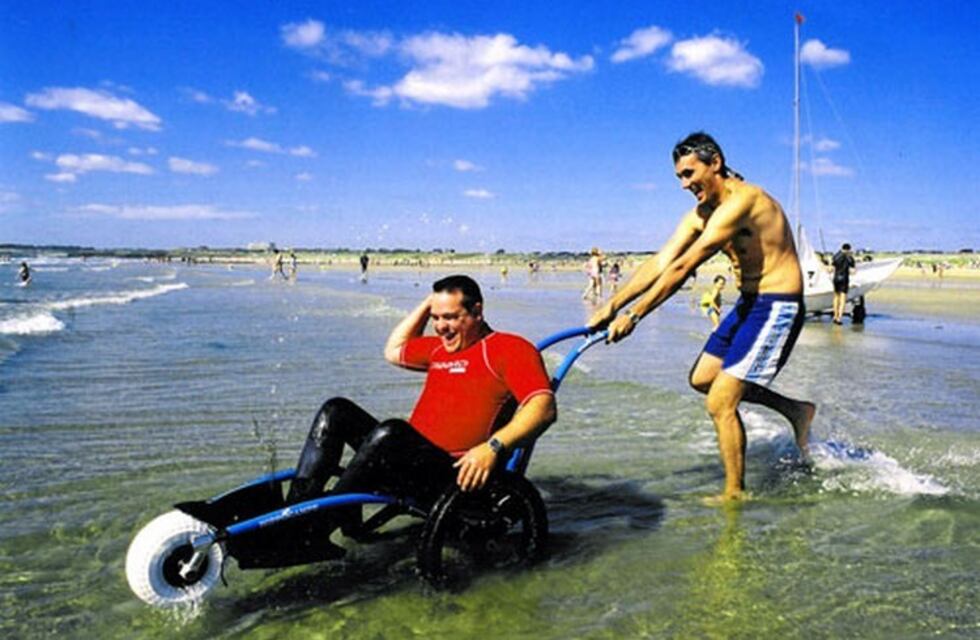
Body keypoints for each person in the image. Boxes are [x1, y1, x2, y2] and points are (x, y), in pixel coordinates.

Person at [588, 132, 815, 503]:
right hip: (749, 303)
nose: (684, 184)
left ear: (716, 163)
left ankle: (735, 495)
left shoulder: (744, 202)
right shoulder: (702, 213)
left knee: (720, 402)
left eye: (689, 173)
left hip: (778, 303)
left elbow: (683, 267)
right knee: (704, 379)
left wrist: (635, 315)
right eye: (679, 176)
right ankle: (796, 411)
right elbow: (661, 261)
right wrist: (611, 305)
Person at [285, 274, 556, 557]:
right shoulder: (439, 348)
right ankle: (294, 513)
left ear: (477, 311)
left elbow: (543, 407)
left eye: (450, 317)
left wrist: (493, 447)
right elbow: (393, 350)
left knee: (391, 432)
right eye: (435, 317)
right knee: (336, 410)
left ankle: (314, 531)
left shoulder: (509, 348)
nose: (440, 327)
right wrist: (431, 302)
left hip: (455, 475)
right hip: (411, 465)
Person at [831, 243, 855, 324]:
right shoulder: (849, 258)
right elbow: (853, 271)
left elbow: (831, 269)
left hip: (836, 279)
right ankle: (839, 318)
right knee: (842, 299)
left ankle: (835, 316)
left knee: (836, 297)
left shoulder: (836, 256)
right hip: (844, 279)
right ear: (849, 249)